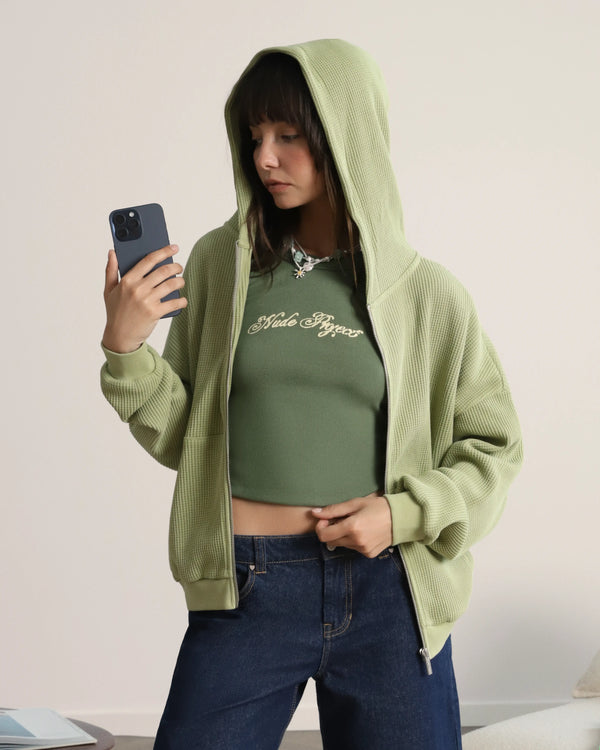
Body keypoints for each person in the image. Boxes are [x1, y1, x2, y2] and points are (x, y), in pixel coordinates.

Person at [101, 39, 523, 750]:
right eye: (255, 136)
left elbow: (495, 448)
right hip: (248, 587)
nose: (265, 157)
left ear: (345, 137)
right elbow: (187, 438)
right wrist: (126, 349)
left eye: (289, 136)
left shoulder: (426, 295)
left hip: (389, 592)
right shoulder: (221, 266)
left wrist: (402, 513)